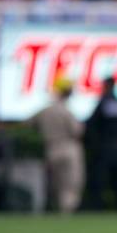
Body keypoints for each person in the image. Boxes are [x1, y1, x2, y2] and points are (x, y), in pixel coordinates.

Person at [29, 78, 85, 213]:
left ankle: (56, 210)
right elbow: (78, 131)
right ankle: (66, 213)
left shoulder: (44, 110)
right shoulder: (66, 110)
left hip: (51, 148)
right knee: (71, 184)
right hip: (69, 148)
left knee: (56, 185)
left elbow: (29, 124)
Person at [85, 78, 117, 210]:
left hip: (105, 149)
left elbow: (91, 126)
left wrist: (94, 146)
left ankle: (98, 207)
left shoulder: (103, 103)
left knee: (99, 180)